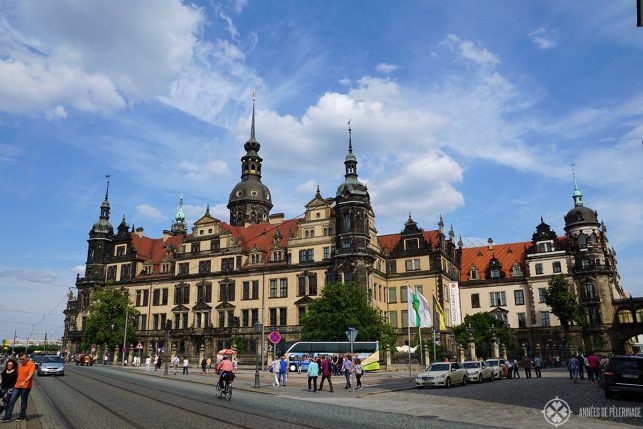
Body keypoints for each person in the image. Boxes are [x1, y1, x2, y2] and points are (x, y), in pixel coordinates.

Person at [1, 353, 35, 422]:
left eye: (23, 359)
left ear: (27, 358)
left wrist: (25, 381)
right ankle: (7, 417)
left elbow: (31, 375)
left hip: (26, 387)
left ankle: (22, 416)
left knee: (23, 402)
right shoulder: (21, 365)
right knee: (11, 400)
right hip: (17, 386)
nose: (22, 360)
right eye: (21, 359)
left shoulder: (31, 364)